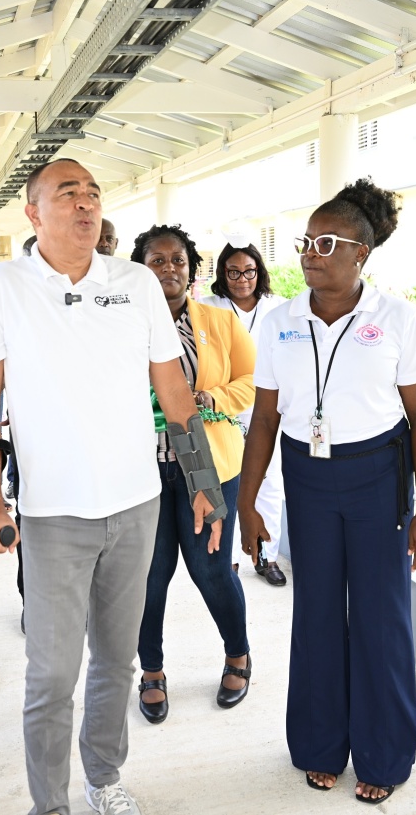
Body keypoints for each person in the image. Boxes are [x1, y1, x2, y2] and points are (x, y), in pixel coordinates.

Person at [0, 158, 226, 815]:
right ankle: (48, 803)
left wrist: (202, 480)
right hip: (53, 516)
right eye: (67, 194)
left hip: (136, 506)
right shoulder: (0, 287)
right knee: (51, 675)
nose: (86, 205)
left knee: (116, 660)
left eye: (93, 194)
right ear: (32, 213)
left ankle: (104, 778)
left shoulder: (134, 282)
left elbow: (174, 389)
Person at [236, 178, 416, 805]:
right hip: (308, 476)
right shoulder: (280, 321)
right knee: (317, 614)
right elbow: (265, 419)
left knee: (382, 619)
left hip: (379, 477)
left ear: (362, 254)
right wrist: (247, 503)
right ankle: (320, 746)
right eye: (306, 241)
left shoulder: (397, 318)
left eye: (327, 242)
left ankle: (384, 754)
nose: (310, 253)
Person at [131, 225, 255, 724]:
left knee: (210, 569)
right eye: (157, 262)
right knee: (149, 577)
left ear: (192, 268)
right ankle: (153, 672)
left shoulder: (221, 323)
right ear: (139, 269)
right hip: (141, 471)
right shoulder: (123, 324)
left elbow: (252, 382)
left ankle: (238, 655)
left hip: (210, 467)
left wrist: (211, 399)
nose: (169, 270)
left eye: (177, 260)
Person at [199, 243, 289, 586]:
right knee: (226, 482)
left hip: (267, 406)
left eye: (248, 271)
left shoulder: (278, 309)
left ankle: (265, 556)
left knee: (269, 480)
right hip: (221, 406)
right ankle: (230, 560)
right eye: (233, 272)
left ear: (259, 272)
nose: (241, 279)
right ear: (223, 273)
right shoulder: (207, 308)